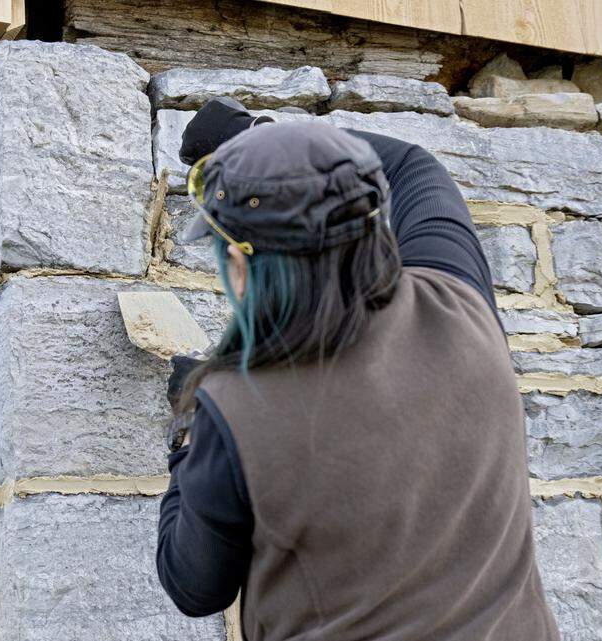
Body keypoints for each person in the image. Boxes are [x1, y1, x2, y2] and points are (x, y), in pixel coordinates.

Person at [156, 98, 559, 640]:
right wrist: (262, 138)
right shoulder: (459, 303)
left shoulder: (234, 411)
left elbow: (195, 587)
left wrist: (188, 435)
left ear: (244, 265)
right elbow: (414, 168)